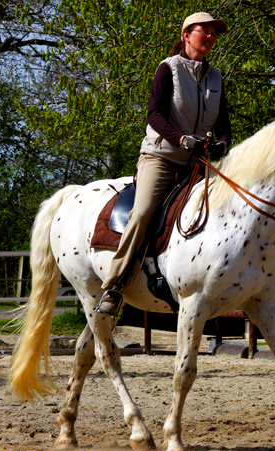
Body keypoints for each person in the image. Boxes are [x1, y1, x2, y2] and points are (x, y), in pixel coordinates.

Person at [97, 12, 232, 316]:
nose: (210, 37)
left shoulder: (217, 76)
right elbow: (154, 114)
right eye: (204, 31)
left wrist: (223, 141)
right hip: (161, 157)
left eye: (214, 33)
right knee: (143, 212)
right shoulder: (168, 68)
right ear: (187, 35)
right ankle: (114, 286)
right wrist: (182, 139)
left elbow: (223, 121)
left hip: (199, 162)